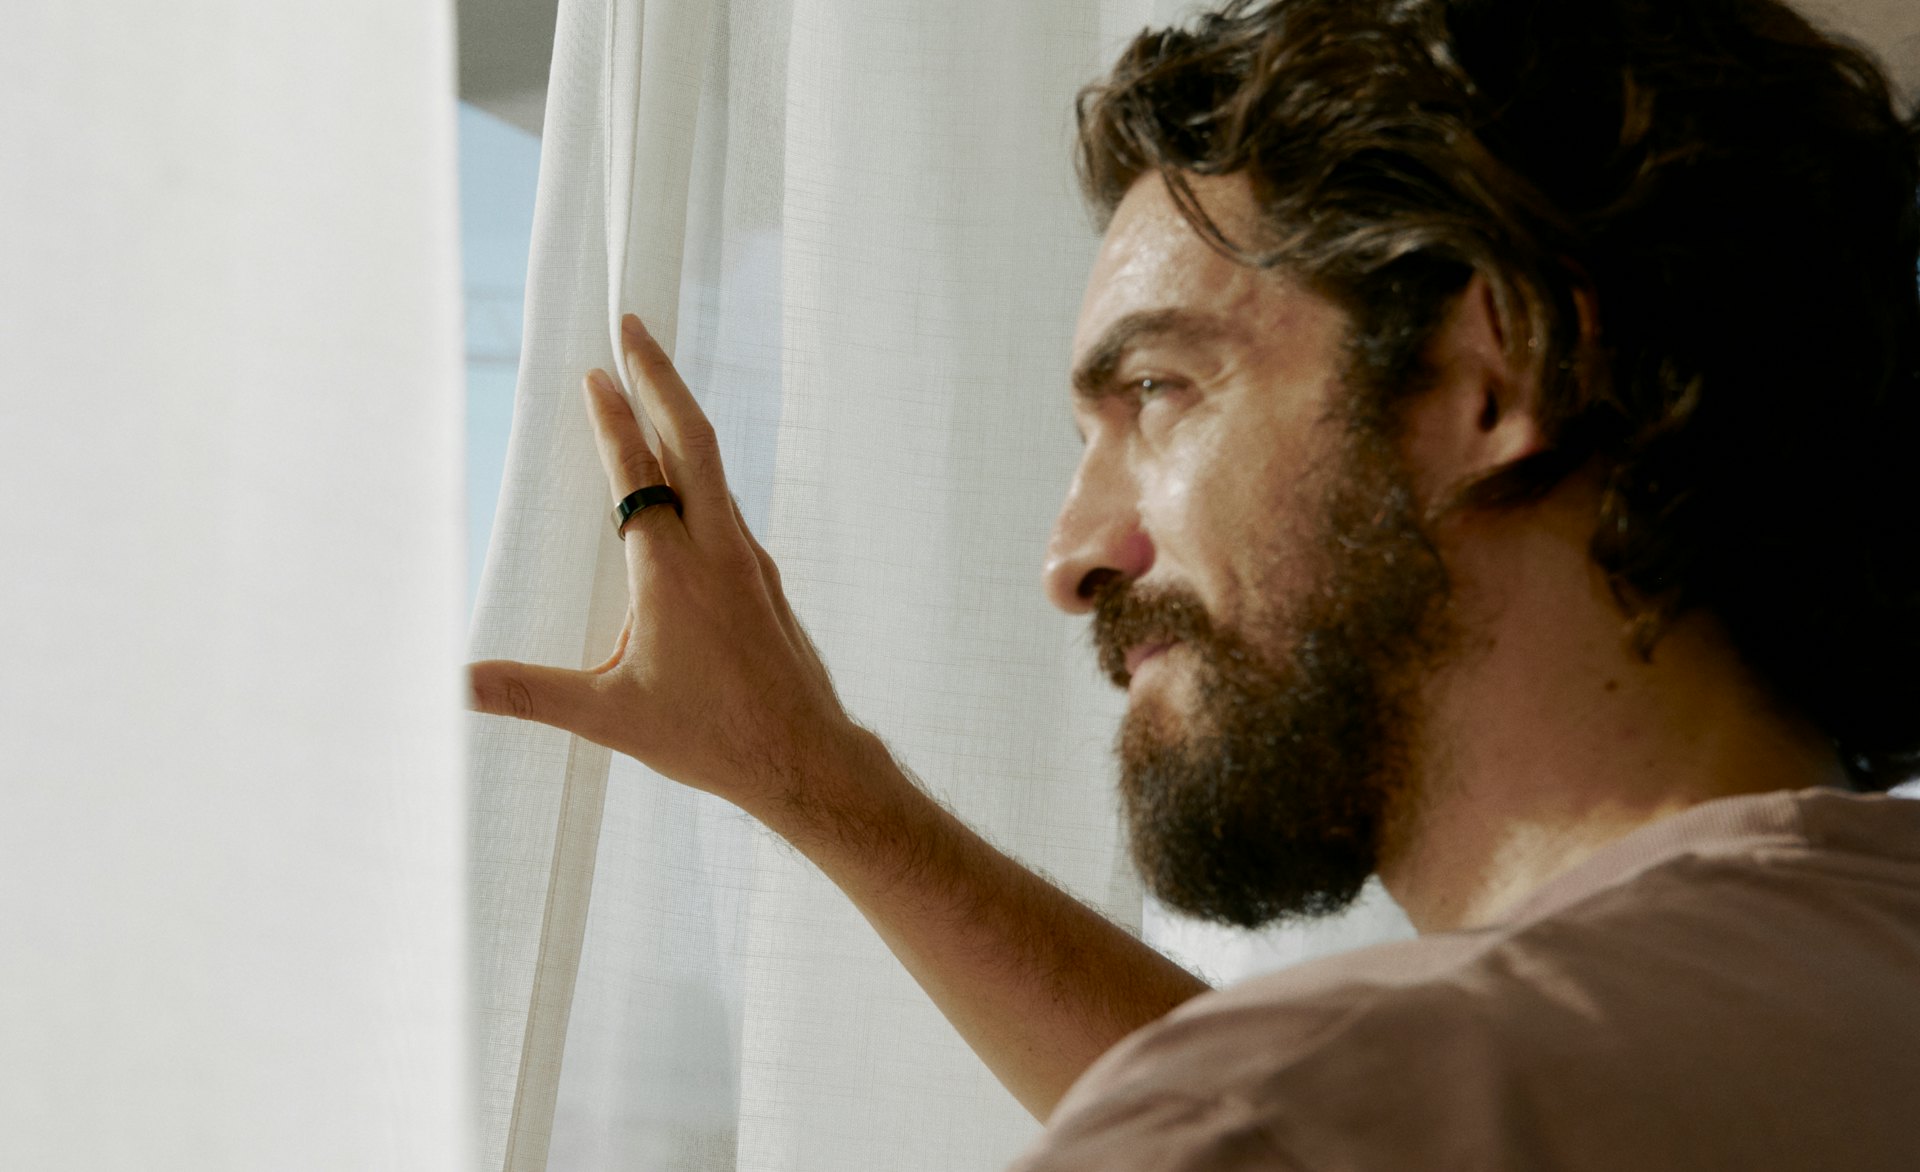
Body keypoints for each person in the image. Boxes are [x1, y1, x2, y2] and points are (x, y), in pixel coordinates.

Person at [470, 0, 1920, 1165]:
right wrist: (825, 787)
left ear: (1494, 377)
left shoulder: (1297, 1112)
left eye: (1160, 388)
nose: (1070, 558)